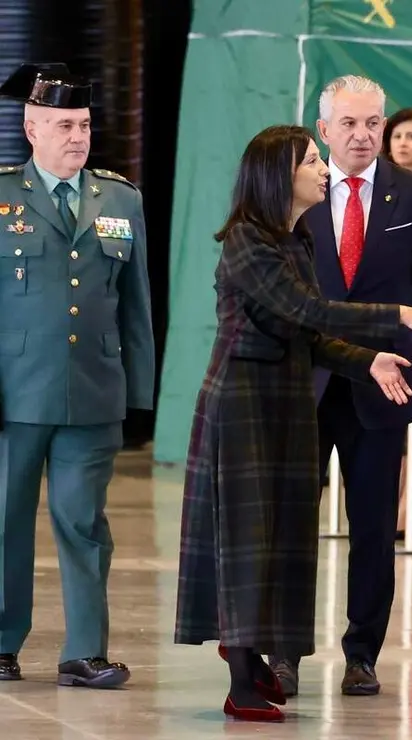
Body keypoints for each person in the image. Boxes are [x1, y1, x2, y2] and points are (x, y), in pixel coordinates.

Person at [173, 124, 412, 723]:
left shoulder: (293, 239)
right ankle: (242, 679)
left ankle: (255, 658)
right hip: (245, 406)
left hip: (285, 404)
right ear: (279, 175)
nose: (324, 170)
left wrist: (367, 361)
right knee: (248, 540)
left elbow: (306, 334)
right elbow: (308, 309)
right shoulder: (248, 240)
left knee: (283, 538)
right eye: (310, 161)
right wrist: (399, 316)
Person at [282, 75, 412, 699]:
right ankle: (284, 652)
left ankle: (362, 654)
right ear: (323, 130)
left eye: (373, 123)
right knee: (291, 527)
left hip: (384, 388)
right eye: (349, 124)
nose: (362, 135)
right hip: (306, 383)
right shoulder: (296, 191)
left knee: (374, 530)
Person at [0, 63, 154, 688]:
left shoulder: (120, 198)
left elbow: (137, 304)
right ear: (31, 129)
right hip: (14, 393)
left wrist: (138, 393)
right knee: (5, 521)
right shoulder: (2, 195)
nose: (77, 136)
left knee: (85, 523)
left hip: (93, 391)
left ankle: (84, 652)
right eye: (64, 125)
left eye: (84, 125)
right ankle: (2, 642)